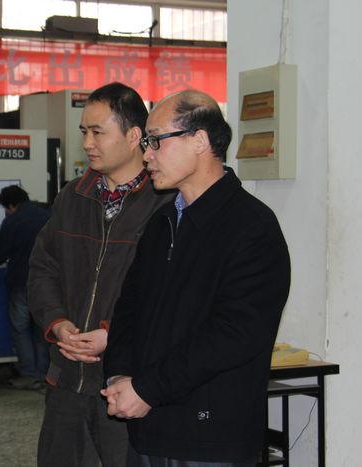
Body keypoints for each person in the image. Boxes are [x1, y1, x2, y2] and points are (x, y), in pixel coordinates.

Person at [103, 90, 291, 466]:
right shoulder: (162, 223)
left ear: (200, 140)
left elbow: (234, 334)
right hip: (147, 427)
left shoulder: (252, 226)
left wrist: (148, 389)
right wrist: (119, 376)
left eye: (156, 140)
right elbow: (128, 310)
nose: (147, 155)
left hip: (210, 438)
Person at [28, 82, 172, 467]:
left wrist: (112, 333)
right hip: (67, 378)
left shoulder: (164, 202)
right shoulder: (72, 197)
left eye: (98, 132)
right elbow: (43, 269)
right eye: (84, 132)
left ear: (134, 136)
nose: (87, 143)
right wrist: (58, 324)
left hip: (129, 381)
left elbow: (169, 292)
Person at [0, 184, 50, 390]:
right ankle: (44, 373)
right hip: (46, 281)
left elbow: (0, 253)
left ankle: (28, 373)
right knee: (43, 327)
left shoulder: (13, 220)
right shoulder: (48, 216)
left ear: (11, 205)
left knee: (20, 328)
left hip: (20, 280)